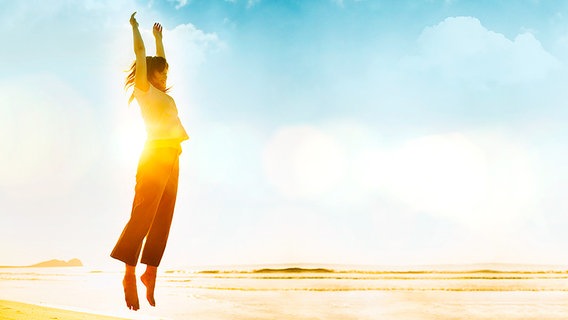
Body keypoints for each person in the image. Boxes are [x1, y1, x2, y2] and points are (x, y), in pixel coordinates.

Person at [110, 12, 189, 311]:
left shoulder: (163, 93)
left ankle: (149, 271)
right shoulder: (144, 92)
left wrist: (160, 40)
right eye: (162, 73)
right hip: (154, 154)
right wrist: (136, 29)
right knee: (143, 214)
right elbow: (141, 55)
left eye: (167, 74)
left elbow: (160, 61)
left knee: (163, 218)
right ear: (150, 74)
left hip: (173, 155)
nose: (166, 77)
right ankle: (128, 274)